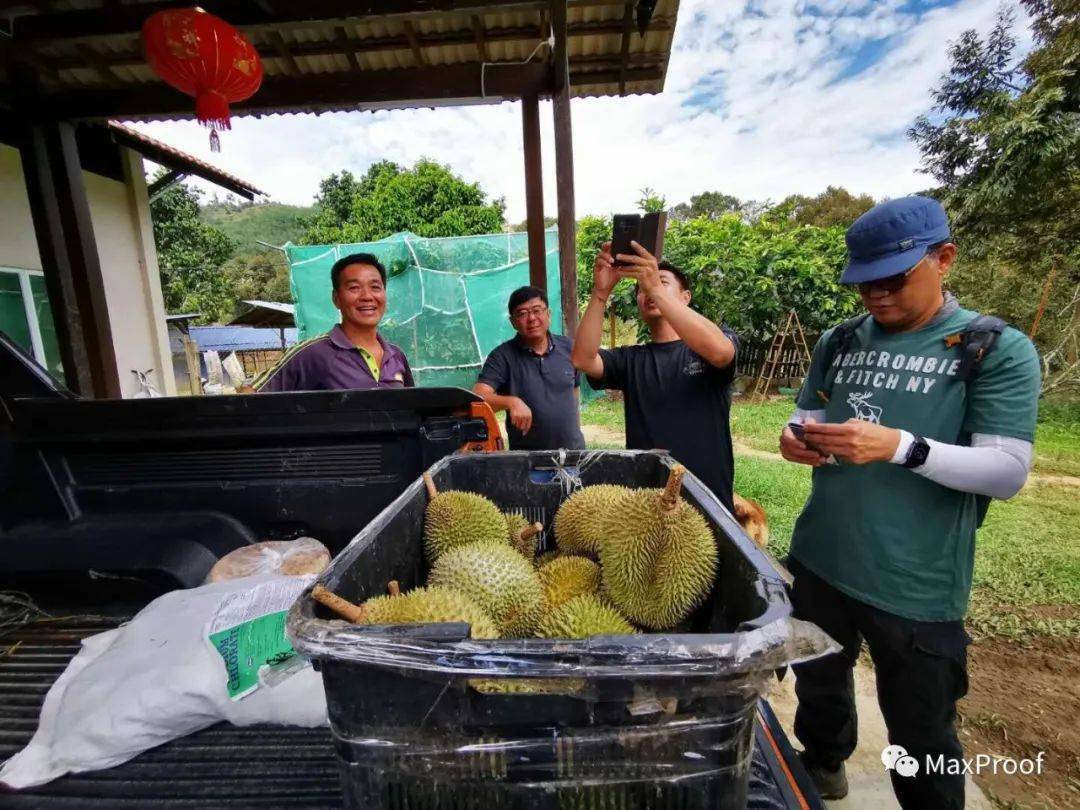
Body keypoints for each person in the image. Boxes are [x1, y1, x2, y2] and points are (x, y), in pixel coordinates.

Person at [779, 196, 1041, 807]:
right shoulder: (840, 340)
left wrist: (903, 447)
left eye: (892, 279)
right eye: (863, 282)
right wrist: (796, 440)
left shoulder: (992, 348)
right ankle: (823, 764)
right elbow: (805, 417)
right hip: (821, 558)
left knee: (921, 733)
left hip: (915, 583)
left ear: (943, 258)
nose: (876, 295)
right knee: (819, 687)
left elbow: (1006, 473)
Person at [571, 241, 738, 510]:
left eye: (662, 282)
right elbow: (583, 358)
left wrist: (655, 288)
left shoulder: (712, 344)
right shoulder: (630, 359)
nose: (648, 289)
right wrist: (600, 294)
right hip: (647, 504)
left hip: (708, 501)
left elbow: (721, 353)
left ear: (685, 297)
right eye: (642, 288)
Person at [253, 253, 413, 392]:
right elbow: (251, 395)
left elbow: (412, 410)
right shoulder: (313, 353)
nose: (367, 296)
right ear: (336, 298)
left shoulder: (396, 356)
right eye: (354, 287)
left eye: (375, 287)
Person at [473, 286, 585, 451]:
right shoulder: (502, 356)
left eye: (537, 310)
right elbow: (478, 398)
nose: (532, 318)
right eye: (522, 313)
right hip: (528, 460)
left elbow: (574, 393)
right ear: (513, 322)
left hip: (574, 455)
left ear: (549, 314)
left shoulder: (569, 348)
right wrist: (511, 402)